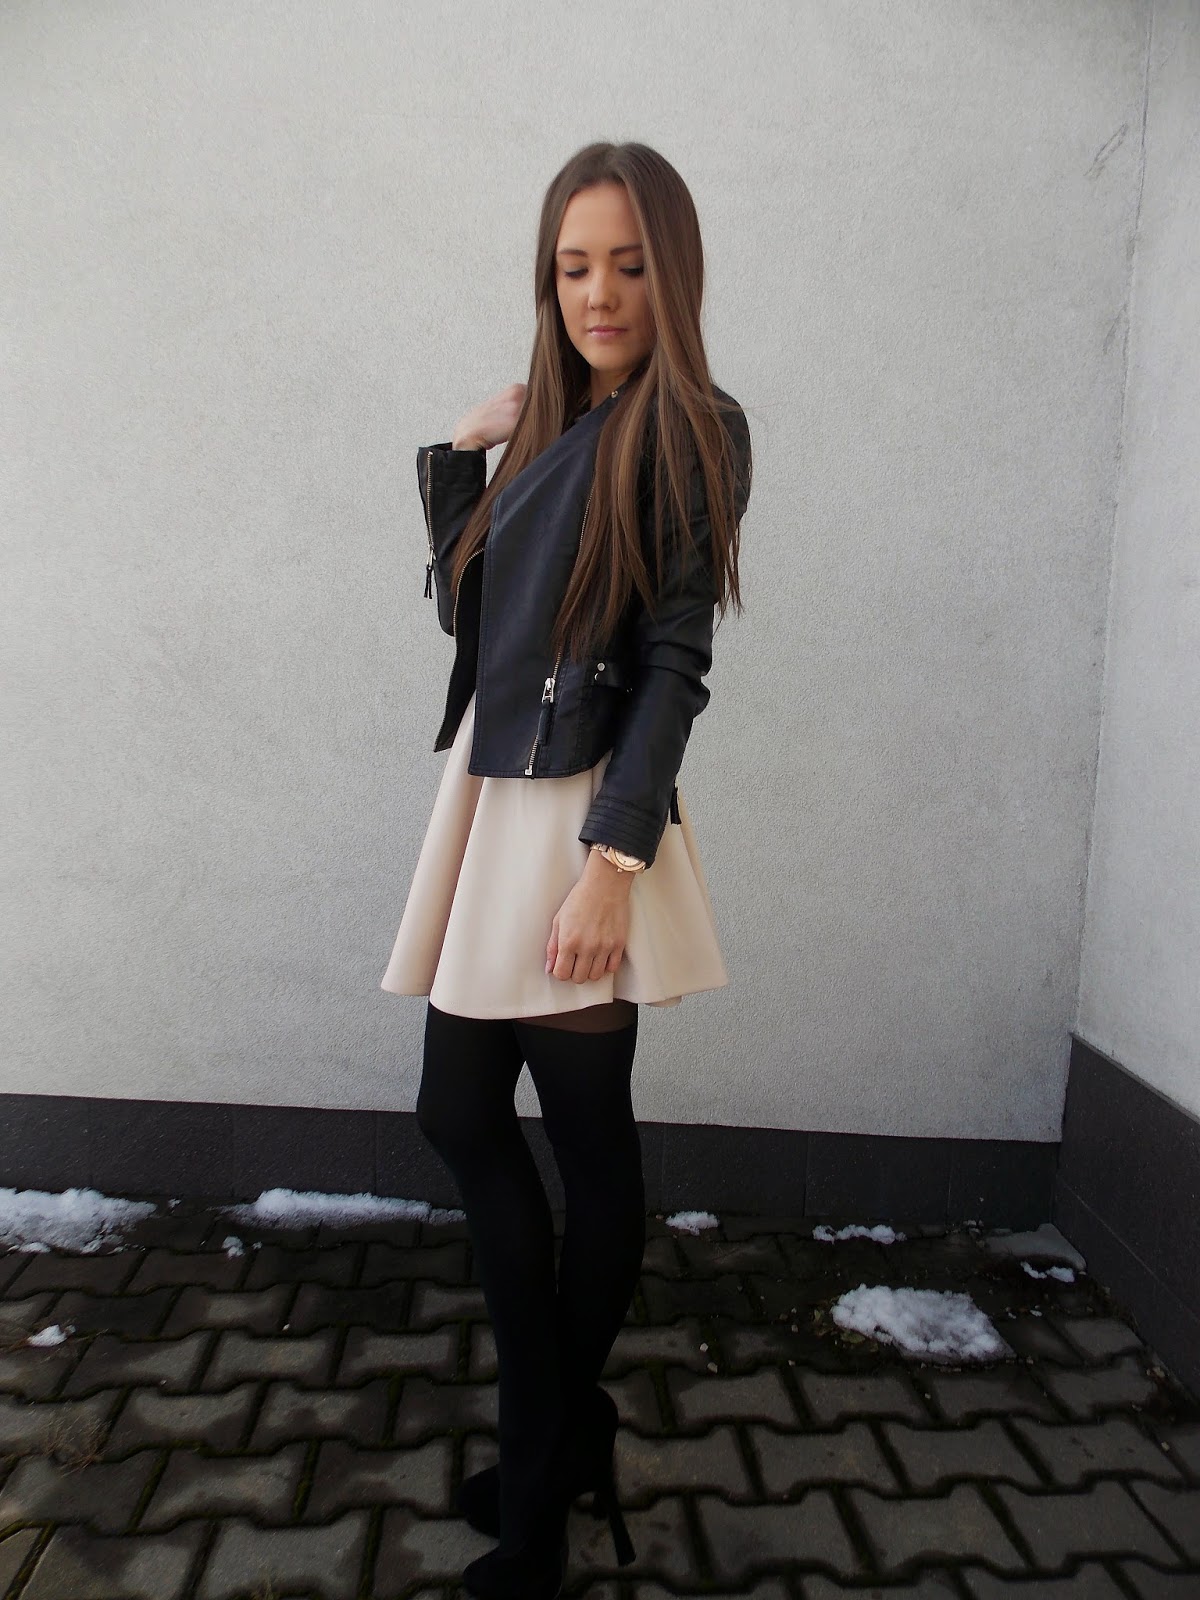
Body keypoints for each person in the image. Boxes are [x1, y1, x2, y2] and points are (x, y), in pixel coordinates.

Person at [380, 141, 752, 1600]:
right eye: (575, 264)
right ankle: (564, 1427)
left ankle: (538, 1487)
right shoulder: (559, 421)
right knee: (458, 1112)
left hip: (585, 812)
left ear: (675, 273)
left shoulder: (691, 428)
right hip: (494, 801)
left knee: (587, 1142)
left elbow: (675, 664)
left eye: (631, 265)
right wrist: (460, 458)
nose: (600, 293)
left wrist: (612, 862)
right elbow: (472, 627)